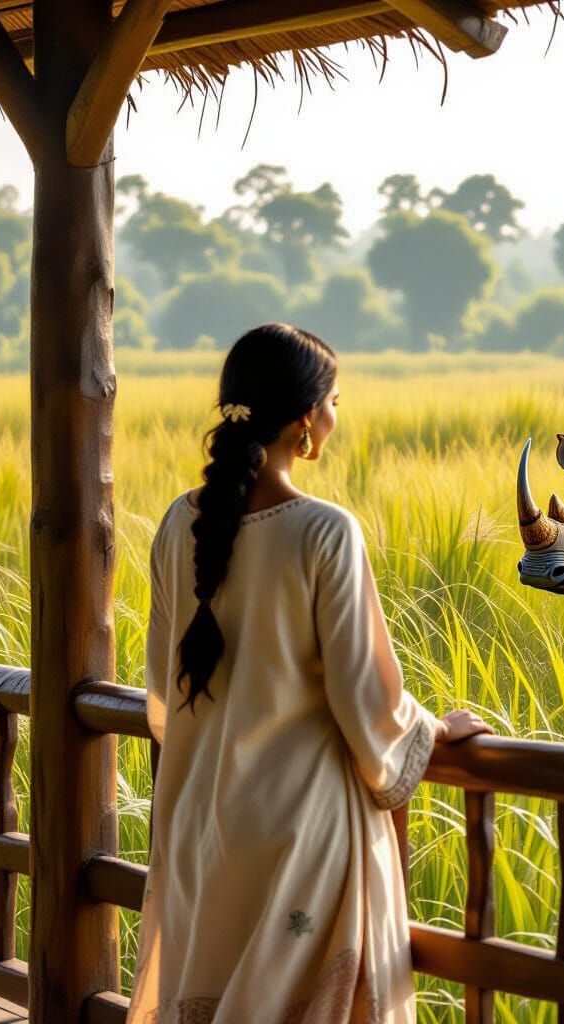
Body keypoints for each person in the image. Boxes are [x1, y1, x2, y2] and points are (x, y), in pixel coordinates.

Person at [126, 323, 493, 1024]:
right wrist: (432, 730)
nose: (335, 417)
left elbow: (160, 693)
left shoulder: (180, 523)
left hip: (204, 824)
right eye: (334, 401)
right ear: (304, 418)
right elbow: (366, 703)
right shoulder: (326, 531)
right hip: (301, 829)